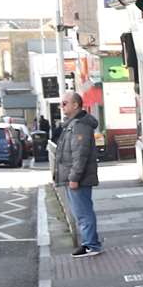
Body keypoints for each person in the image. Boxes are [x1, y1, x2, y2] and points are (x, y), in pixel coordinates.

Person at [55, 91, 102, 257]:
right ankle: (90, 243)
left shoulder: (79, 125)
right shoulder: (73, 124)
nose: (62, 106)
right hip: (73, 177)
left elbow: (79, 154)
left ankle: (91, 245)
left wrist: (74, 178)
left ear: (75, 105)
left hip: (77, 179)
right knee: (81, 212)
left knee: (83, 213)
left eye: (65, 103)